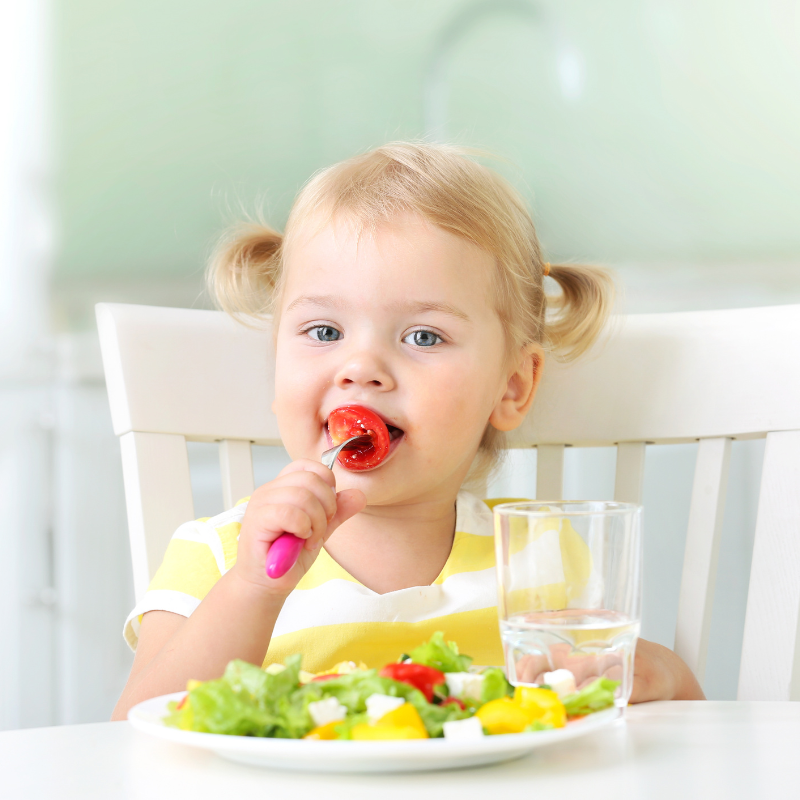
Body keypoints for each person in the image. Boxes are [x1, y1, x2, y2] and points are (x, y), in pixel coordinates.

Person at [112, 143, 703, 720]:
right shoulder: (219, 555)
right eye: (324, 332)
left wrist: (667, 676)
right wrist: (252, 589)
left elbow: (647, 733)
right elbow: (133, 733)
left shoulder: (541, 557)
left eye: (423, 337)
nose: (360, 367)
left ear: (511, 387)